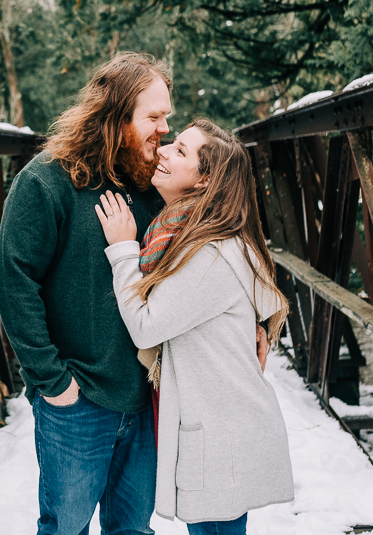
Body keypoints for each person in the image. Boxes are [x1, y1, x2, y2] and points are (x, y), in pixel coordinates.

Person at [0, 54, 268, 535]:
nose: (165, 129)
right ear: (115, 116)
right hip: (77, 402)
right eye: (155, 118)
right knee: (65, 529)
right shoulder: (44, 183)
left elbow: (224, 234)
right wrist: (52, 381)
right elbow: (14, 283)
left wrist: (261, 319)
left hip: (146, 403)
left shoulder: (154, 184)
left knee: (134, 532)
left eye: (168, 117)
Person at [95, 119, 294, 535]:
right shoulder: (186, 233)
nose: (164, 150)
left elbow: (148, 327)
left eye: (181, 151)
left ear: (205, 180)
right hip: (219, 432)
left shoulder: (208, 252)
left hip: (222, 442)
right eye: (172, 143)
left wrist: (122, 251)